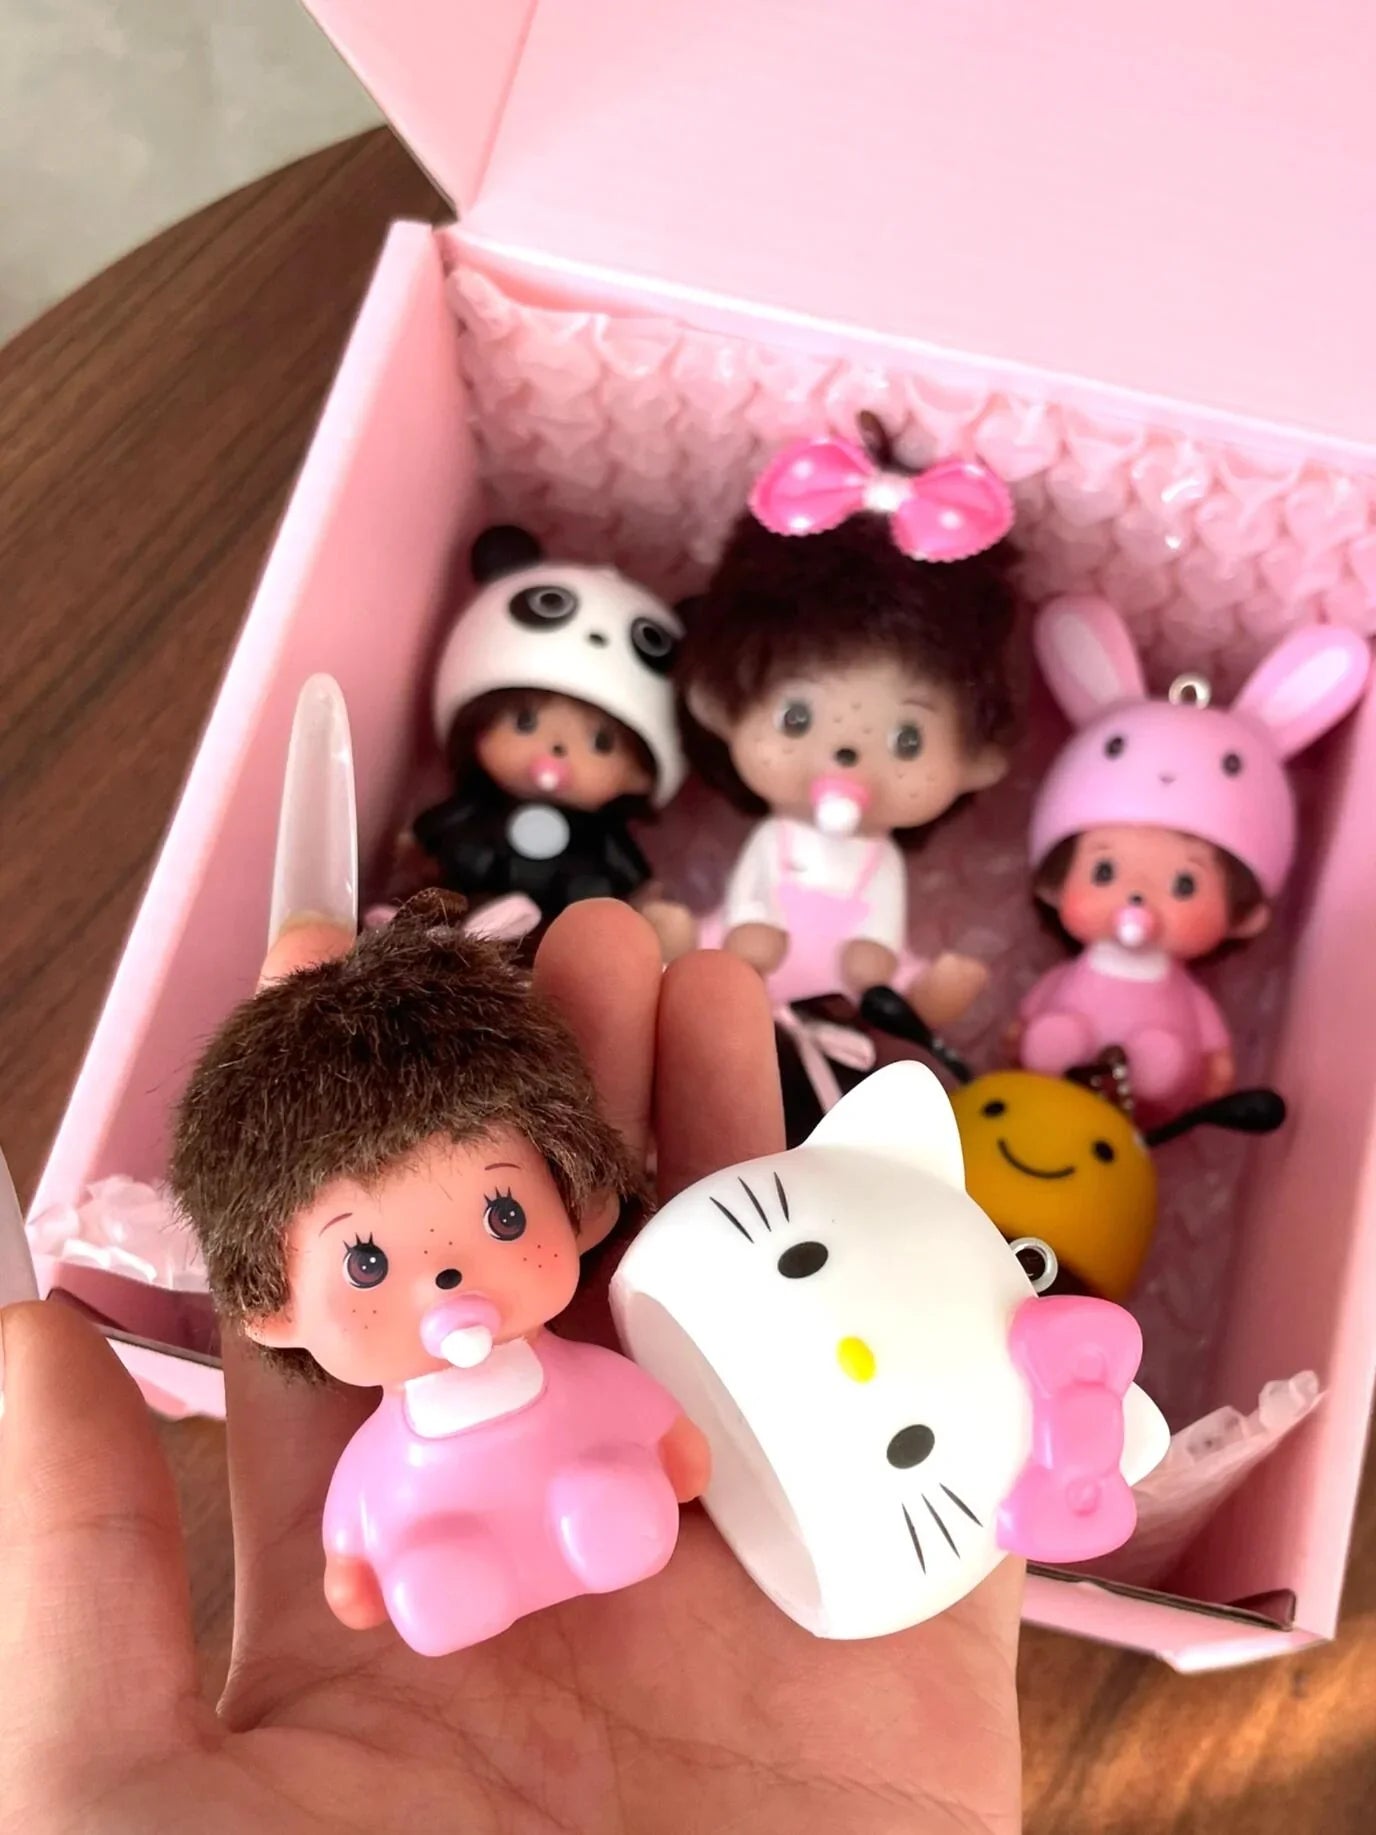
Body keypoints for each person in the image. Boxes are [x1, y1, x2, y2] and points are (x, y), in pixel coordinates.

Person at [0, 900, 1023, 1833]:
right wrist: (352, 1567)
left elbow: (637, 1404)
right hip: (440, 1526)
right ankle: (458, 1575)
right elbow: (360, 1500)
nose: (446, 1272)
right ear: (275, 1315)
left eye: (501, 1214)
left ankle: (596, 1517)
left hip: (589, 1480)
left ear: (577, 1210)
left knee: (611, 1497)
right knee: (440, 1568)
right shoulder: (386, 1438)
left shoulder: (571, 1363)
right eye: (366, 1261)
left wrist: (671, 1446)